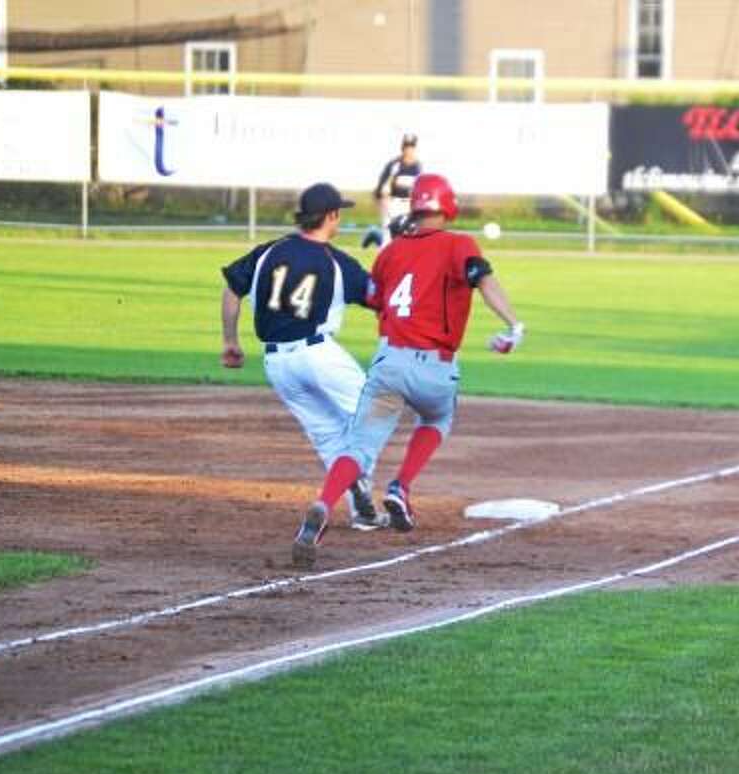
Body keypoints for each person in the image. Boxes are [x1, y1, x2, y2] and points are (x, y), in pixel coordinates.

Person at [291, 173, 525, 567]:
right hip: (434, 368)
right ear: (448, 206)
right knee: (437, 417)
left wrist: (396, 248)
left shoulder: (392, 251)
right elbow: (483, 280)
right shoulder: (459, 244)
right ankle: (400, 486)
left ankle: (323, 505)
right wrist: (512, 325)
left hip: (389, 366)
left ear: (414, 206)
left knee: (359, 450)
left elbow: (377, 298)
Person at [220, 182, 388, 531]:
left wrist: (230, 341)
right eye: (338, 213)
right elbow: (380, 300)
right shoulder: (338, 262)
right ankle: (357, 483)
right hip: (318, 355)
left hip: (277, 365)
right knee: (376, 413)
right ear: (330, 216)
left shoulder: (267, 252)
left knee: (328, 435)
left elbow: (231, 289)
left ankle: (362, 508)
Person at [363, 133, 422, 250]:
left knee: (408, 240)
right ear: (402, 148)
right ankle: (376, 237)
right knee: (388, 242)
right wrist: (382, 201)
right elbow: (381, 187)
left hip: (409, 205)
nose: (409, 150)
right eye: (406, 146)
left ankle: (375, 234)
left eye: (411, 147)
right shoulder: (394, 165)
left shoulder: (418, 167)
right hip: (393, 204)